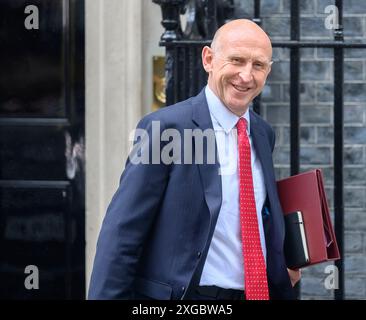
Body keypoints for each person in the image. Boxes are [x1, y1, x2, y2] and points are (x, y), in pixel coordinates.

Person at [88, 19, 301, 300]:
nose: (246, 76)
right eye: (236, 60)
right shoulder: (166, 129)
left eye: (258, 65)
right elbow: (122, 232)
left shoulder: (262, 133)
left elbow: (253, 215)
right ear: (209, 59)